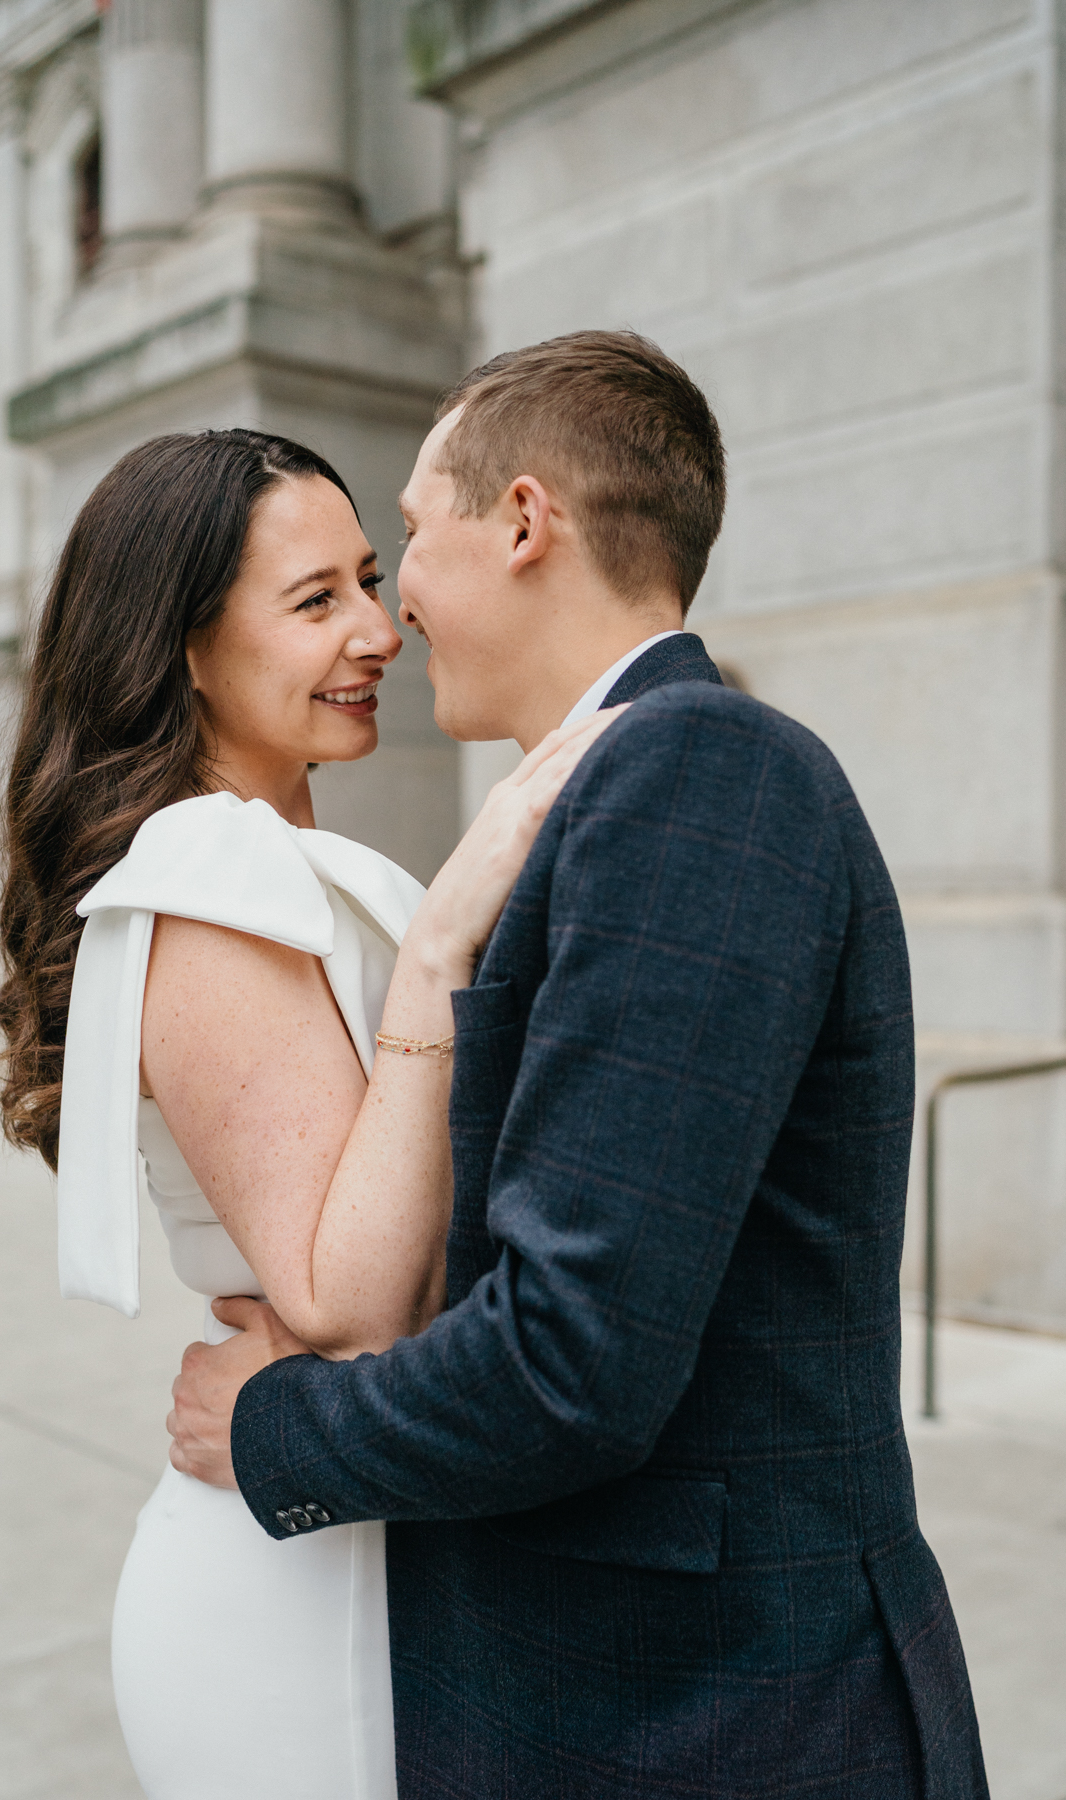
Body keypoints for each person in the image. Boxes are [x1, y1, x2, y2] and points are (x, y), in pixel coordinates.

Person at [169, 333, 990, 1800]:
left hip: (710, 1719)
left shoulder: (700, 769)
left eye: (410, 539)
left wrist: (271, 1423)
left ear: (527, 522)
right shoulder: (606, 788)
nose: (396, 604)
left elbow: (571, 1358)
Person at [0, 427, 621, 1799]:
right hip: (299, 1604)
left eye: (372, 579)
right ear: (186, 650)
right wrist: (444, 943)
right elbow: (352, 1302)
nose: (379, 630)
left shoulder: (272, 859)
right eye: (314, 600)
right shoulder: (210, 865)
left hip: (349, 1533)